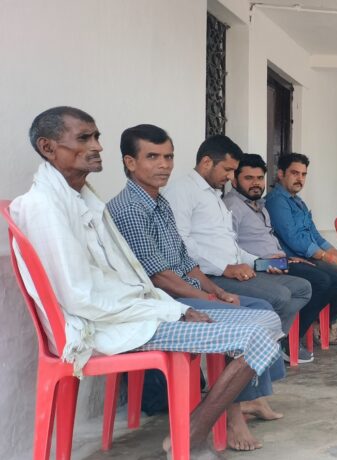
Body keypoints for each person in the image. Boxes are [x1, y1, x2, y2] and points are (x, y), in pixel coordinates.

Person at [16, 107, 279, 458]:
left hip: (136, 312)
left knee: (265, 319)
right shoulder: (45, 207)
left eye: (97, 137)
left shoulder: (84, 201)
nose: (97, 146)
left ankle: (195, 425)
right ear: (48, 147)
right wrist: (172, 310)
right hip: (104, 325)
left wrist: (191, 300)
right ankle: (194, 433)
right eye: (84, 138)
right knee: (253, 335)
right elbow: (82, 298)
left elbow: (139, 276)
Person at [107, 124, 287, 451]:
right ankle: (232, 417)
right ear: (130, 162)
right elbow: (160, 277)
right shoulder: (130, 208)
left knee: (262, 310)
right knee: (255, 320)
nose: (164, 165)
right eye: (153, 157)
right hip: (166, 301)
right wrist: (206, 296)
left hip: (186, 289)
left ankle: (243, 399)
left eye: (168, 157)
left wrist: (217, 292)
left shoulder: (159, 202)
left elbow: (185, 261)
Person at [162, 135, 312, 362]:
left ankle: (266, 347)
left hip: (231, 271)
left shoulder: (213, 194)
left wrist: (259, 263)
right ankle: (253, 355)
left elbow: (230, 245)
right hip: (208, 277)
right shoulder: (182, 191)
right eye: (228, 170)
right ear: (206, 162)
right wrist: (225, 268)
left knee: (302, 288)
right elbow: (180, 244)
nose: (231, 177)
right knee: (279, 296)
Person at [224, 153, 337, 349]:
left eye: (259, 178)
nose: (300, 179)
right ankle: (296, 336)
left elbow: (315, 235)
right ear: (281, 174)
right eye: (295, 173)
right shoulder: (266, 202)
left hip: (284, 260)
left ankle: (318, 320)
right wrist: (328, 258)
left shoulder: (267, 205)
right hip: (275, 262)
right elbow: (291, 239)